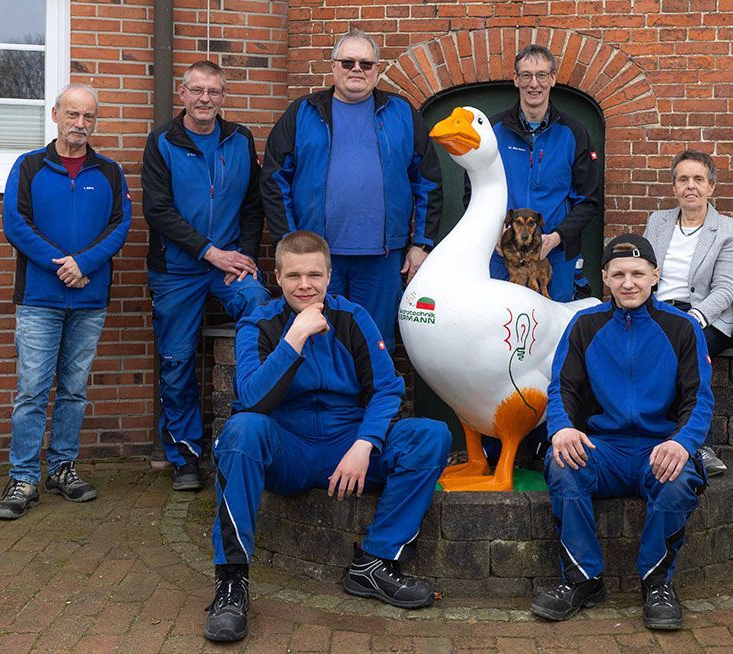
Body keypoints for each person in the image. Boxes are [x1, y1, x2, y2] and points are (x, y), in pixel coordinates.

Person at [204, 231, 452, 643]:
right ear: (278, 276)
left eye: (315, 275)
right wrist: (294, 337)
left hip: (348, 444)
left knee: (430, 435)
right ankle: (232, 583)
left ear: (329, 275)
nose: (305, 285)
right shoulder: (258, 323)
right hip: (290, 449)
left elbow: (387, 389)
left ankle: (374, 563)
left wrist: (364, 443)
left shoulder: (353, 317)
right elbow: (250, 398)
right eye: (295, 275)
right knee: (241, 430)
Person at [532, 234, 712, 630]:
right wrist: (561, 428)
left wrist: (682, 442)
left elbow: (699, 398)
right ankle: (582, 579)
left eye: (637, 273)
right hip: (604, 450)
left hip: (658, 448)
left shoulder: (681, 328)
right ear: (605, 278)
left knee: (680, 477)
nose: (628, 283)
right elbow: (562, 386)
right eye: (618, 275)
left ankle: (657, 584)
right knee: (562, 464)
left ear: (654, 275)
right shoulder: (585, 325)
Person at [0, 84, 131, 519]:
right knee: (32, 392)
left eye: (88, 116)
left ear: (96, 120)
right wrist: (62, 265)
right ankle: (22, 478)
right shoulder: (29, 167)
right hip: (39, 298)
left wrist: (84, 262)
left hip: (89, 299)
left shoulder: (109, 172)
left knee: (73, 390)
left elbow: (120, 226)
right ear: (55, 114)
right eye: (72, 114)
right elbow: (16, 225)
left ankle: (62, 469)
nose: (80, 124)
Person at [261, 29, 443, 345]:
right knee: (317, 342)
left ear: (377, 69)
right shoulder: (304, 112)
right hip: (315, 257)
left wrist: (421, 244)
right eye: (347, 63)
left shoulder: (401, 113)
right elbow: (275, 180)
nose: (356, 69)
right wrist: (289, 242)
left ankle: (374, 397)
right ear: (333, 67)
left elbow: (428, 181)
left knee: (374, 343)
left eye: (365, 63)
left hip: (382, 258)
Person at [142, 60, 270, 491]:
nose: (204, 99)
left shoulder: (239, 139)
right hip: (178, 269)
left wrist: (246, 257)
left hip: (230, 263)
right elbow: (157, 211)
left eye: (213, 92)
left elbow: (253, 206)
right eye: (197, 91)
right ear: (182, 94)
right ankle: (186, 457)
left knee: (261, 309)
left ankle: (251, 426)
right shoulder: (161, 142)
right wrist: (210, 252)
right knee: (177, 360)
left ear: (223, 96)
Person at [643, 149, 733, 476]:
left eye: (698, 179)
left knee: (681, 352)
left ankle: (694, 443)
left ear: (711, 187)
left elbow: (726, 289)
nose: (691, 186)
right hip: (658, 310)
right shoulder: (658, 222)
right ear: (674, 187)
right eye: (683, 179)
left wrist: (693, 319)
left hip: (706, 317)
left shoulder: (728, 230)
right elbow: (643, 270)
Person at [483, 44, 603, 302]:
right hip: (503, 254)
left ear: (553, 79)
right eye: (526, 75)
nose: (533, 84)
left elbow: (589, 200)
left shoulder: (575, 132)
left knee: (552, 332)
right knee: (500, 326)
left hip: (555, 255)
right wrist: (492, 232)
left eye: (541, 75)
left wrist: (556, 238)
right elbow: (475, 190)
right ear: (516, 79)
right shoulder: (494, 130)